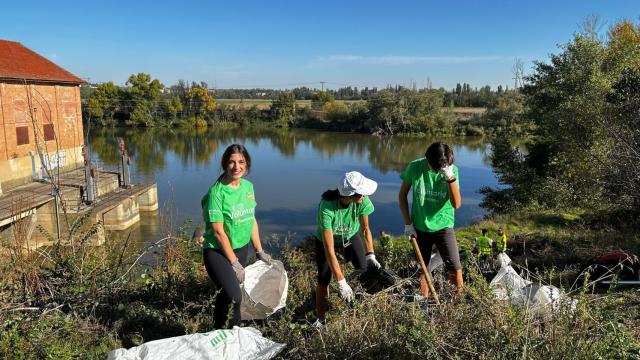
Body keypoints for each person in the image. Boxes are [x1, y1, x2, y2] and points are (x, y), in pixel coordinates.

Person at [198, 144, 272, 329]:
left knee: (227, 294)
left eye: (241, 162)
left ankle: (220, 331)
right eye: (231, 162)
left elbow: (251, 220)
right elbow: (218, 232)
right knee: (235, 297)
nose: (236, 166)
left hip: (241, 248)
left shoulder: (248, 187)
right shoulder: (217, 192)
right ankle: (231, 334)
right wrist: (234, 263)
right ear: (224, 164)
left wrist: (259, 250)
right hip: (218, 252)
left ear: (247, 164)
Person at [313, 171, 380, 327]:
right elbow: (329, 249)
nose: (364, 196)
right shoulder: (327, 207)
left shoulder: (362, 200)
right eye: (360, 193)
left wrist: (370, 254)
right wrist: (341, 281)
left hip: (350, 235)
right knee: (323, 279)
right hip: (326, 242)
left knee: (364, 270)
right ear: (349, 195)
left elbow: (365, 229)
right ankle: (321, 320)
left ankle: (358, 311)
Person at [399, 142, 463, 298]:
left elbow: (457, 204)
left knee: (455, 268)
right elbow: (402, 195)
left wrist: (450, 178)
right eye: (435, 167)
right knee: (423, 270)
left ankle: (458, 305)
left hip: (444, 225)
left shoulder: (451, 170)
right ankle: (424, 304)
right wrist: (408, 224)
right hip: (420, 227)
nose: (437, 170)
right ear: (427, 159)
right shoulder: (415, 167)